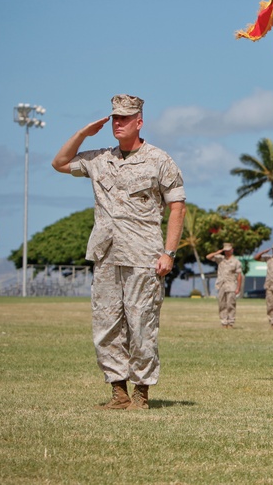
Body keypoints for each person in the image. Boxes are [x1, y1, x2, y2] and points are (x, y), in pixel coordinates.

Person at [51, 94, 186, 410]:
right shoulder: (99, 159)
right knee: (106, 325)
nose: (117, 123)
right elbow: (59, 163)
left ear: (139, 121)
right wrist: (84, 133)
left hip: (143, 255)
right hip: (106, 254)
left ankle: (141, 393)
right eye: (114, 118)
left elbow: (177, 206)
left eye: (124, 118)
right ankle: (118, 393)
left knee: (141, 324)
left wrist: (169, 252)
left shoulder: (159, 160)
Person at [208, 243, 242, 329]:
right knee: (222, 304)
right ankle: (224, 322)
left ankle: (230, 322)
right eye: (225, 251)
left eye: (228, 250)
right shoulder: (220, 259)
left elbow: (239, 276)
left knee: (230, 304)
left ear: (232, 250)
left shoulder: (236, 261)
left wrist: (238, 287)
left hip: (231, 285)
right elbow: (208, 257)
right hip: (221, 285)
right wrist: (217, 252)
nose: (226, 252)